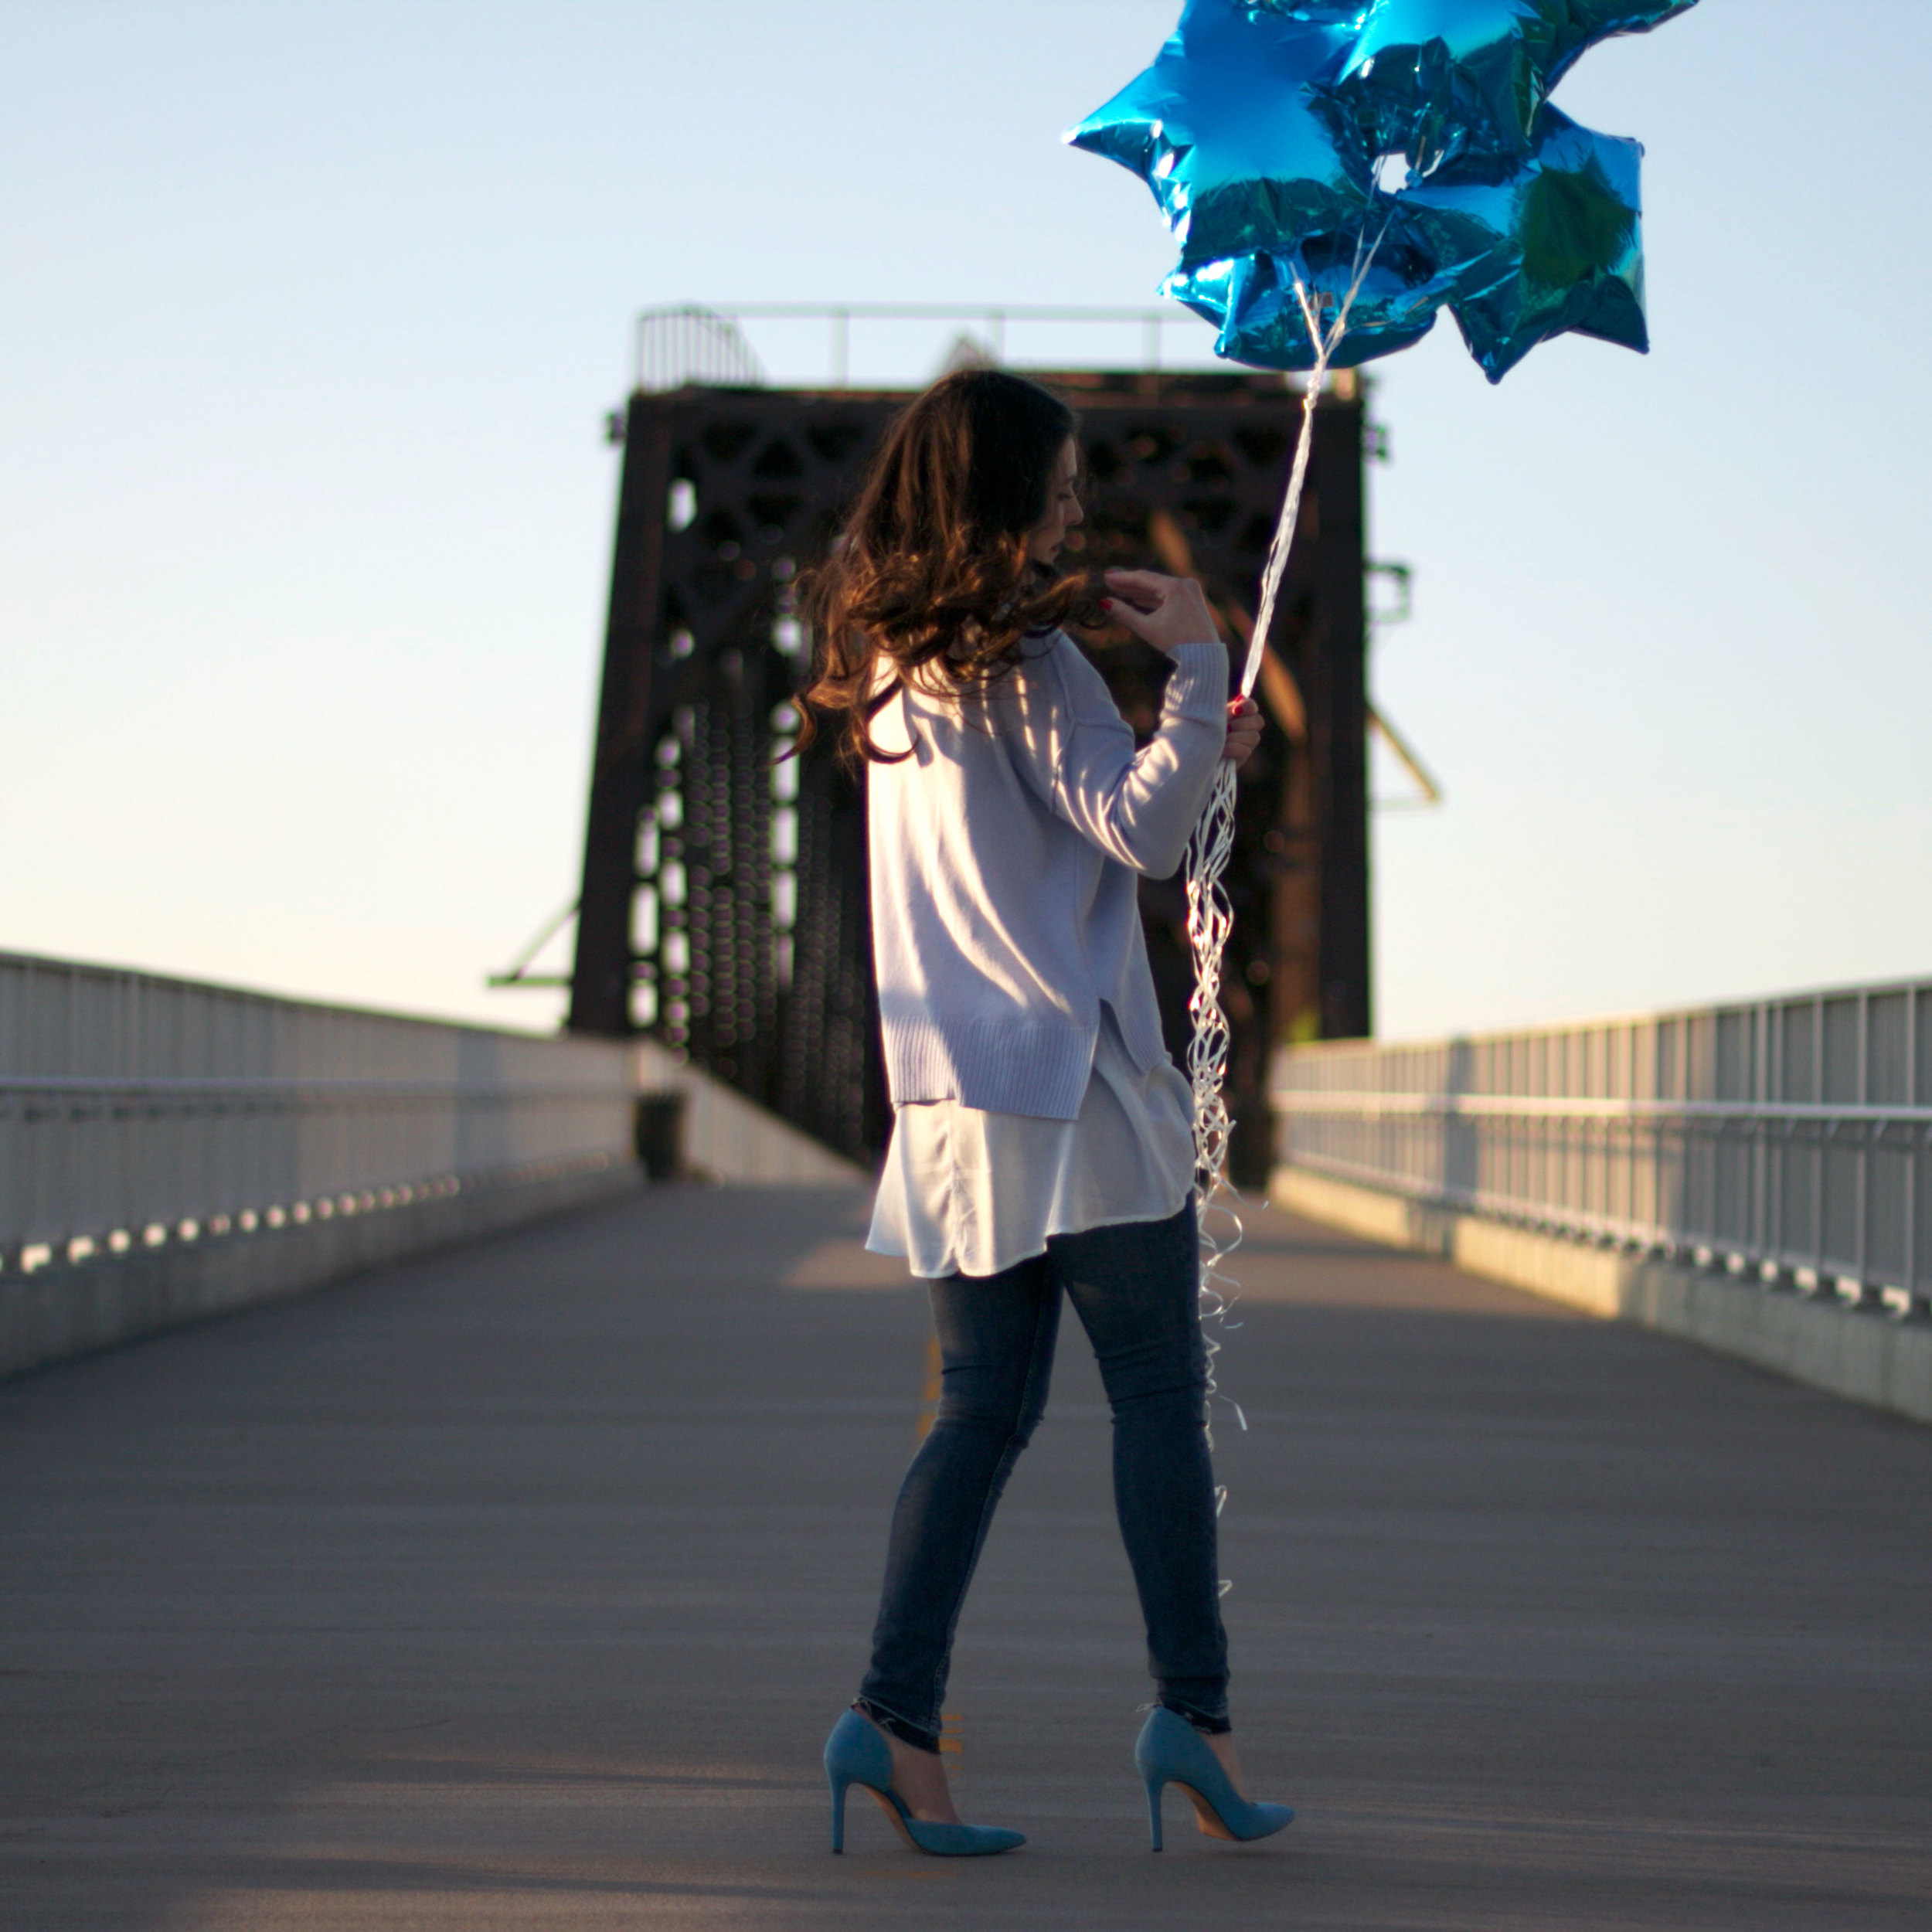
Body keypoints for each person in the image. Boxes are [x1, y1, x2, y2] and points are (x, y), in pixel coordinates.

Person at [798, 368, 1288, 1858]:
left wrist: (1203, 745)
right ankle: (1189, 1722)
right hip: (1067, 1092)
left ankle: (889, 1721)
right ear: (996, 497)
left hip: (949, 1096)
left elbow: (1068, 828)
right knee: (1155, 1399)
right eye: (1062, 493)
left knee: (980, 1420)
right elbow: (1136, 835)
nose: (1078, 518)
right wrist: (1200, 665)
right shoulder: (1034, 665)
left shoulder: (894, 665)